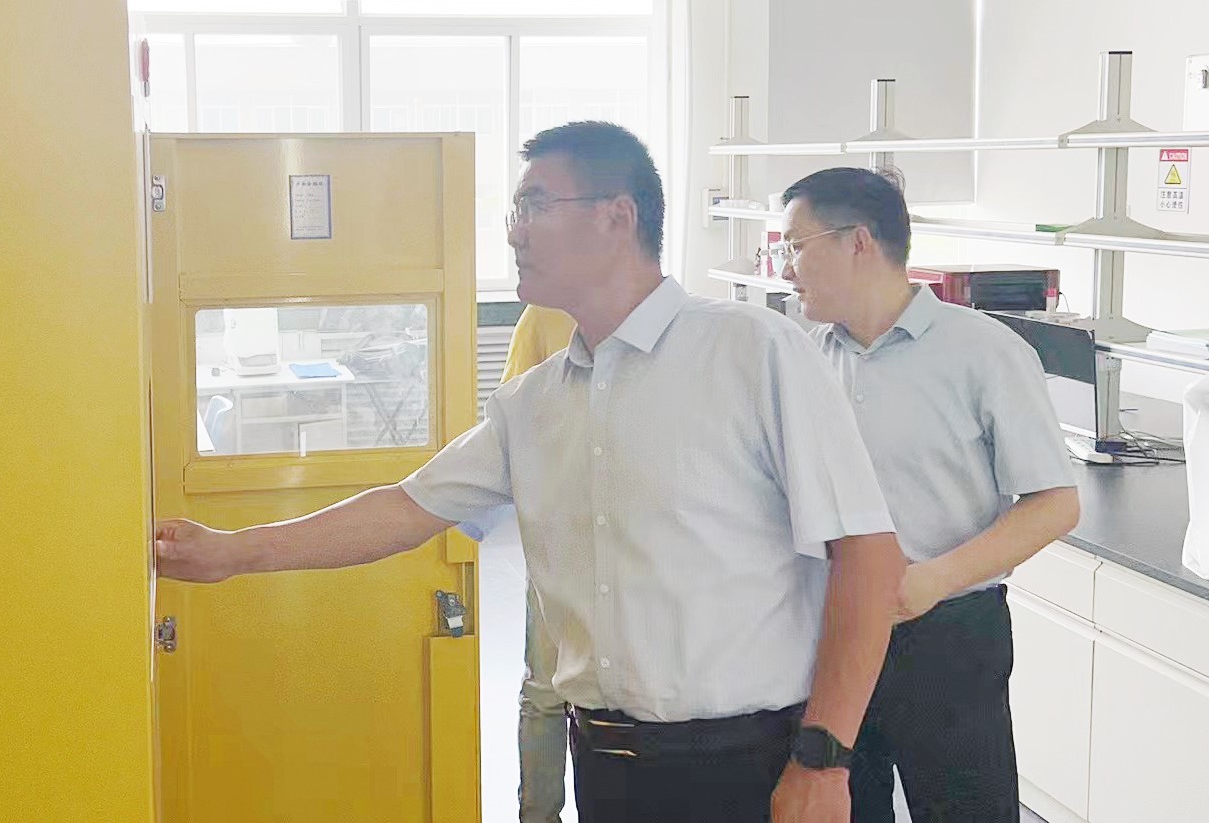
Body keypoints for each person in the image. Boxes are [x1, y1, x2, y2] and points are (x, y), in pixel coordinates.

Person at [157, 122, 905, 823]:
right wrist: (232, 552)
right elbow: (406, 509)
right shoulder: (534, 402)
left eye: (535, 206)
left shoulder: (754, 352)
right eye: (516, 210)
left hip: (753, 764)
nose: (514, 231)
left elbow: (868, 556)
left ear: (617, 216)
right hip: (605, 764)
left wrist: (825, 757)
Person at [775, 168, 1082, 823]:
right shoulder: (803, 360)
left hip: (947, 636)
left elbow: (1055, 503)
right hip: (830, 633)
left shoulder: (985, 352)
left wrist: (932, 581)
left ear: (858, 241)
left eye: (795, 245)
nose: (784, 267)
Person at [502, 304, 578, 823]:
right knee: (547, 691)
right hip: (560, 534)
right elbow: (513, 420)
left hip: (640, 543)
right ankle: (538, 814)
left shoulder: (663, 315)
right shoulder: (544, 316)